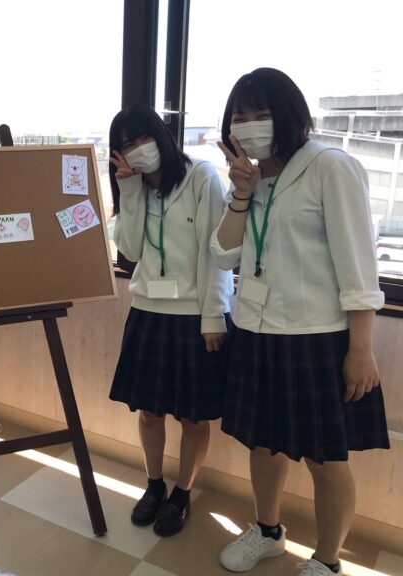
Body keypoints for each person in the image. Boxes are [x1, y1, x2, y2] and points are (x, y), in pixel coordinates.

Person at [211, 68, 390, 576]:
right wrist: (240, 193)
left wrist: (361, 349)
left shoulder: (329, 166)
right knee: (263, 443)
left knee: (325, 459)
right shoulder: (249, 180)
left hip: (316, 338)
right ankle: (268, 532)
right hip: (255, 331)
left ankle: (328, 561)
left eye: (262, 114)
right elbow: (223, 254)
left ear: (289, 115)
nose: (249, 125)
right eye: (240, 116)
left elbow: (359, 268)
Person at [108, 104, 233, 536]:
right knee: (148, 412)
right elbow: (130, 251)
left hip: (194, 316)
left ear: (161, 135)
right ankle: (154, 484)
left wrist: (214, 315)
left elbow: (216, 254)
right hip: (148, 311)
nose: (139, 149)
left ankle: (182, 492)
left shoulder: (201, 176)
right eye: (127, 145)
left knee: (194, 418)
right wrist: (129, 190)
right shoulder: (136, 187)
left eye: (144, 137)